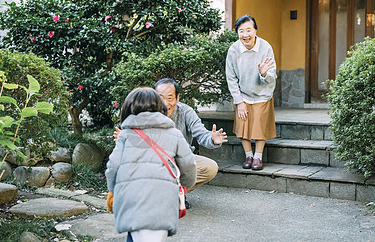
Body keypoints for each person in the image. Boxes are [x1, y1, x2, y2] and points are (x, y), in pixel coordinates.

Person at [114, 78, 228, 206]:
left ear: (177, 98)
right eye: (160, 98)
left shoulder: (185, 111)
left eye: (170, 98)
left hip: (180, 159)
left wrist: (212, 139)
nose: (165, 103)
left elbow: (201, 134)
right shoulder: (144, 113)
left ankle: (175, 193)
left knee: (210, 167)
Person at [106, 87, 196, 242]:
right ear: (160, 107)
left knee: (133, 235)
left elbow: (112, 168)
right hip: (163, 200)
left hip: (131, 201)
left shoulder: (126, 135)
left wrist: (117, 190)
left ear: (128, 109)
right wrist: (182, 187)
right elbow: (189, 165)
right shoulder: (174, 134)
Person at [225, 14, 277, 170]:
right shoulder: (234, 50)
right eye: (241, 31)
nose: (245, 35)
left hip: (262, 94)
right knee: (243, 126)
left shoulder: (265, 47)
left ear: (255, 30)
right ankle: (248, 155)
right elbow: (231, 77)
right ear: (237, 33)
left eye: (249, 30)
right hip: (244, 94)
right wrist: (239, 101)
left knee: (260, 126)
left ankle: (258, 157)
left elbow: (272, 75)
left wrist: (263, 74)